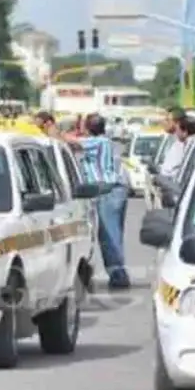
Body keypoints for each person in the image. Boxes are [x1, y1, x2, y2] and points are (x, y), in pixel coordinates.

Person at [50, 113, 131, 290]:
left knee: (109, 233)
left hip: (108, 190)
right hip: (109, 190)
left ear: (88, 128)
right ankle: (113, 271)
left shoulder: (99, 142)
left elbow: (69, 142)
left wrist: (54, 129)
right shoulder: (102, 142)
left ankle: (118, 274)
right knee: (107, 232)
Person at [157, 106, 187, 179]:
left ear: (177, 122)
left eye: (167, 120)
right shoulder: (174, 142)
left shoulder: (184, 144)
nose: (163, 122)